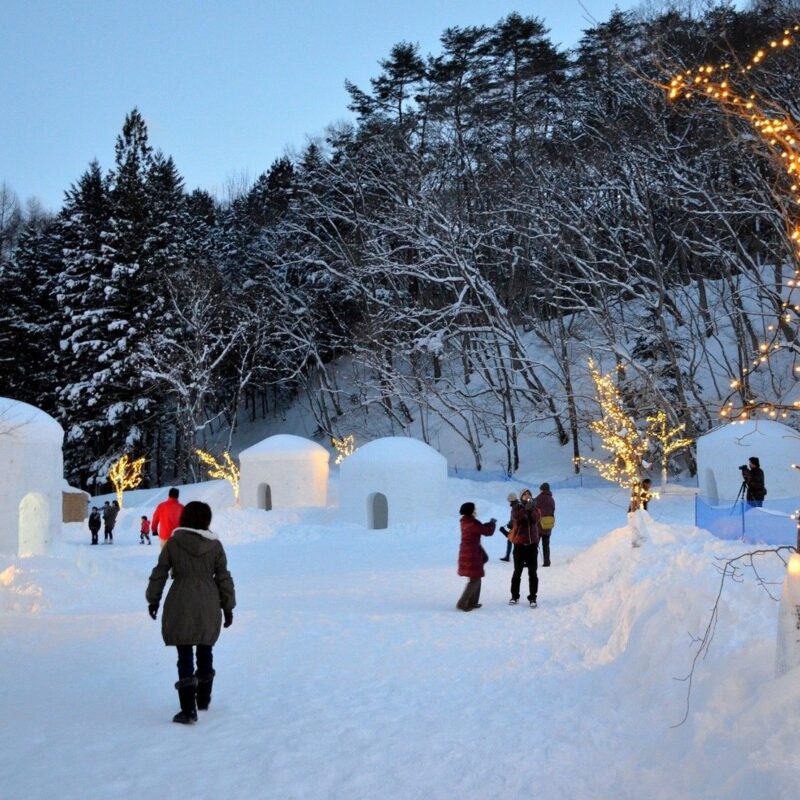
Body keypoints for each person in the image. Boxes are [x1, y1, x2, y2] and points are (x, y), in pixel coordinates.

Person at [146, 501, 236, 724]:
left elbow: (160, 572)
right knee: (205, 649)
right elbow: (223, 577)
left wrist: (153, 599)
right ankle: (203, 700)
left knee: (184, 653)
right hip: (208, 600)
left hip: (180, 600)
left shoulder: (174, 543)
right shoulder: (215, 546)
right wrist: (228, 606)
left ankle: (188, 709)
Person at [456, 502, 496, 612]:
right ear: (471, 511)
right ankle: (462, 603)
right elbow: (487, 531)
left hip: (468, 551)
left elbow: (481, 528)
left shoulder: (465, 522)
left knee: (476, 577)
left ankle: (473, 602)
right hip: (472, 553)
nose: (476, 510)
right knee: (475, 579)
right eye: (474, 509)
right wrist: (492, 523)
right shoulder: (472, 523)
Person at [508, 488, 539, 607]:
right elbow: (516, 519)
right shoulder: (517, 507)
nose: (527, 496)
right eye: (525, 494)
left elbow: (536, 520)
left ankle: (533, 597)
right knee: (517, 572)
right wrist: (525, 510)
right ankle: (514, 596)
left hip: (532, 544)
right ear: (521, 497)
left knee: (533, 573)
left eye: (529, 494)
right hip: (519, 544)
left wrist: (531, 510)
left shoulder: (534, 507)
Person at [534, 482, 555, 567]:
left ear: (542, 489)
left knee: (534, 545)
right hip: (549, 524)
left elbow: (533, 505)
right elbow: (553, 510)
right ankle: (547, 562)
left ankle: (532, 561)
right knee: (546, 545)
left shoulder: (539, 498)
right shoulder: (552, 499)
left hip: (539, 525)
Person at [498, 492, 518, 561]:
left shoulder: (515, 507)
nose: (509, 501)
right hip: (515, 526)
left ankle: (510, 556)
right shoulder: (515, 505)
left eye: (509, 500)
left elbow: (515, 518)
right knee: (511, 540)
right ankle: (509, 556)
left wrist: (511, 524)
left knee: (513, 541)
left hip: (516, 527)